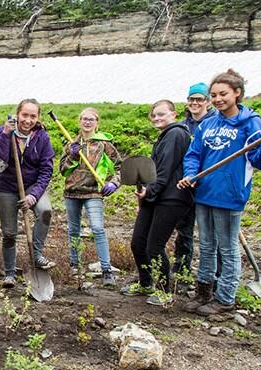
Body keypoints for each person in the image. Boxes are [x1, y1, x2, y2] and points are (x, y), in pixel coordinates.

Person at [178, 69, 261, 316]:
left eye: (222, 94)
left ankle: (225, 298)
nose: (217, 99)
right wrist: (191, 174)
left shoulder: (251, 123)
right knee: (206, 245)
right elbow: (194, 154)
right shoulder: (208, 124)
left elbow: (259, 161)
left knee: (227, 247)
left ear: (237, 93)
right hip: (204, 191)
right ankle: (204, 292)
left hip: (230, 195)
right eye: (213, 95)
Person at [122, 100, 194, 306]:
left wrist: (150, 190)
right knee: (138, 242)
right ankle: (146, 283)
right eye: (153, 115)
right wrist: (148, 192)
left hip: (173, 198)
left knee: (154, 246)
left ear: (174, 114)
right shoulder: (165, 136)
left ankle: (164, 290)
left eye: (161, 114)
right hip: (156, 196)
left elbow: (165, 169)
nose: (157, 118)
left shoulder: (176, 134)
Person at [0, 99, 56, 288]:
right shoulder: (3, 132)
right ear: (18, 114)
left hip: (32, 185)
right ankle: (10, 273)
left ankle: (36, 255)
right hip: (6, 187)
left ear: (38, 117)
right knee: (10, 233)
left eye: (33, 116)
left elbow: (46, 170)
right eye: (25, 115)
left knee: (45, 210)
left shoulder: (41, 137)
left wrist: (33, 195)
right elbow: (0, 162)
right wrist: (5, 135)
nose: (28, 120)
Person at [59, 108, 121, 287]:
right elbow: (63, 170)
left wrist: (114, 183)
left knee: (97, 228)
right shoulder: (71, 143)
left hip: (94, 192)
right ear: (79, 121)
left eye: (91, 119)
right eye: (84, 119)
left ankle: (106, 270)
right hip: (72, 192)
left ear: (97, 123)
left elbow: (120, 167)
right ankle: (74, 266)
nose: (87, 122)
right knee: (73, 230)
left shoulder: (104, 144)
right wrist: (71, 155)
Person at [172, 82, 217, 278]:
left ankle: (216, 273)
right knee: (184, 229)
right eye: (191, 99)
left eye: (199, 99)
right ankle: (182, 268)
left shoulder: (216, 123)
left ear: (207, 101)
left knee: (212, 233)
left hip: (209, 184)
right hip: (186, 183)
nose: (195, 103)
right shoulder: (182, 126)